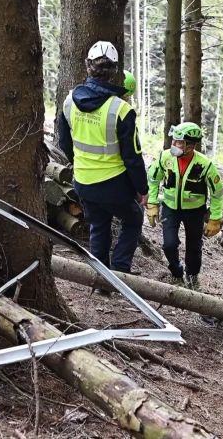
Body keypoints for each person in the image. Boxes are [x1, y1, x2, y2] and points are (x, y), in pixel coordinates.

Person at [57, 41, 147, 276]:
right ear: (115, 70)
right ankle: (119, 272)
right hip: (114, 184)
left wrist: (80, 164)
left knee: (99, 225)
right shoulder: (121, 109)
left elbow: (65, 142)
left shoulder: (69, 102)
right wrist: (142, 188)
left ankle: (101, 277)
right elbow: (133, 157)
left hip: (84, 181)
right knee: (134, 218)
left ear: (88, 65)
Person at [146, 122, 223, 290]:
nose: (174, 145)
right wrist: (152, 203)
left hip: (195, 212)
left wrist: (215, 218)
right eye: (173, 141)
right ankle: (176, 272)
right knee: (169, 245)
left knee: (194, 248)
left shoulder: (205, 165)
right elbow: (153, 179)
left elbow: (217, 193)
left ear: (191, 145)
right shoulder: (164, 158)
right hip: (170, 208)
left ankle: (192, 277)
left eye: (179, 142)